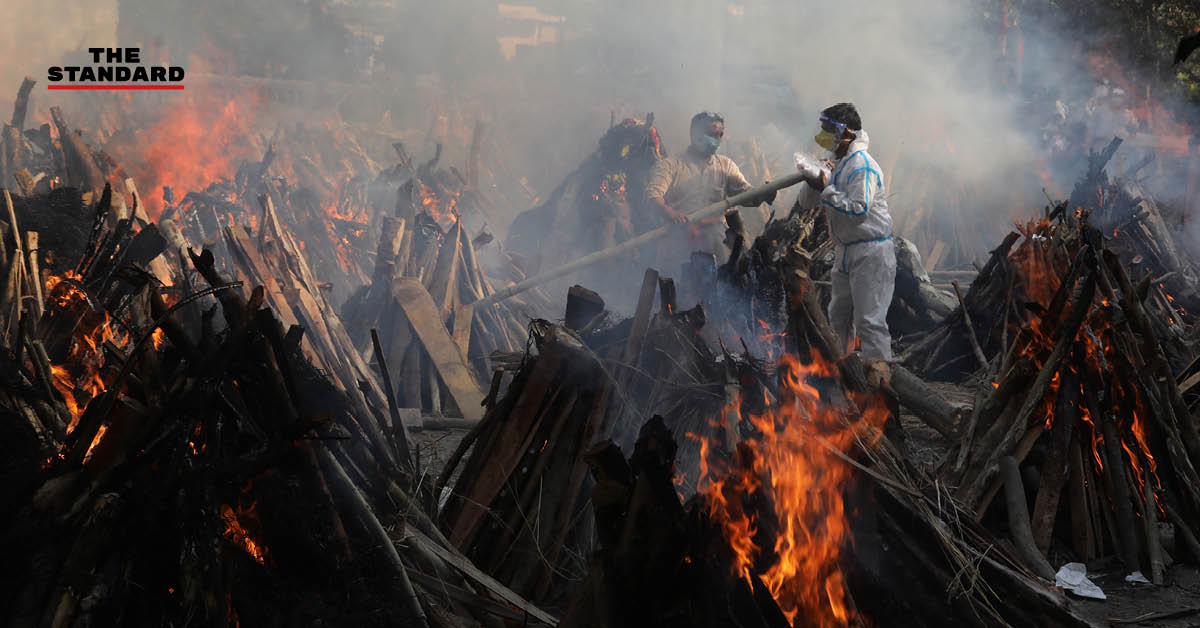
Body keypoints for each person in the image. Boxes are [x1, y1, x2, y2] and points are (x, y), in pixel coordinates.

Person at [799, 102, 896, 370]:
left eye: (829, 130)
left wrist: (827, 188)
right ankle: (841, 378)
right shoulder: (840, 164)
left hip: (871, 252)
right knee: (838, 317)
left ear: (847, 134)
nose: (823, 136)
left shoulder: (862, 166)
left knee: (870, 321)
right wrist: (813, 182)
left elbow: (858, 209)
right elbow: (808, 204)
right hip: (846, 251)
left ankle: (879, 386)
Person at [644, 112, 775, 265]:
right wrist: (672, 214)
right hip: (679, 239)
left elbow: (746, 194)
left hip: (716, 240)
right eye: (711, 134)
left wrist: (762, 194)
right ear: (694, 134)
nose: (716, 139)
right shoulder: (670, 165)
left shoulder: (726, 165)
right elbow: (652, 196)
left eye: (719, 135)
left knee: (726, 282)